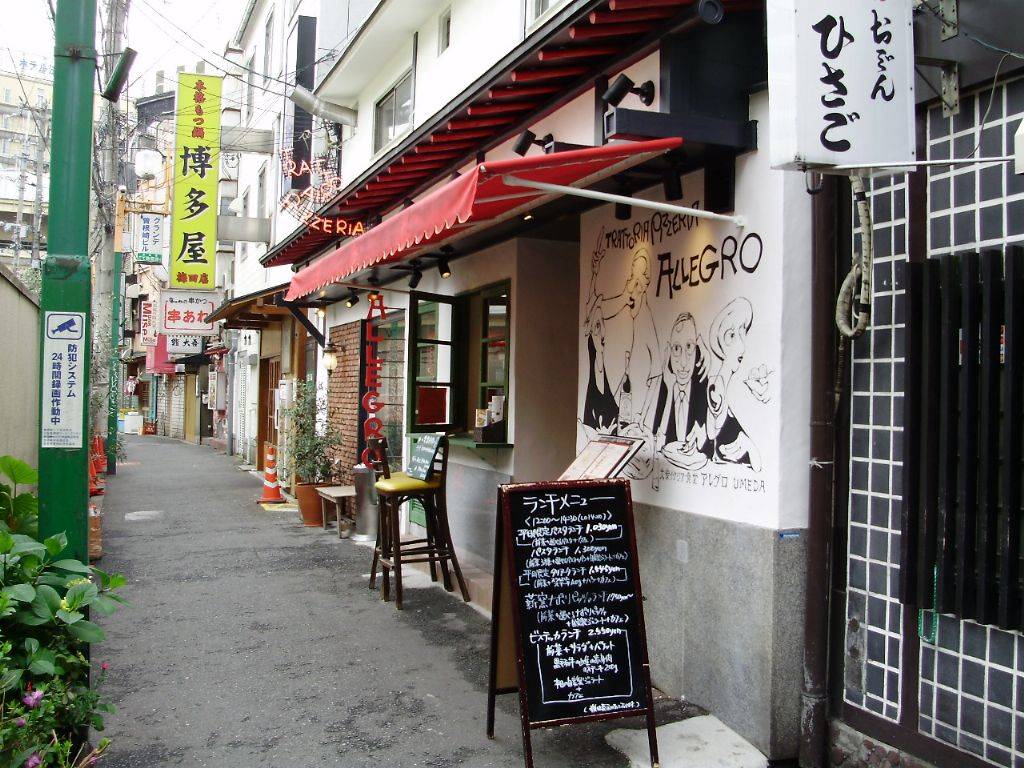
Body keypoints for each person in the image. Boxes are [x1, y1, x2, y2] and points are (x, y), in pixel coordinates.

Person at [704, 297, 761, 470]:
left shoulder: (731, 386)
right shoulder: (717, 386)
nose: (741, 346)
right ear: (721, 341)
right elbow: (713, 438)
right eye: (732, 335)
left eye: (743, 333)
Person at [647, 313, 710, 464]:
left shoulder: (705, 389)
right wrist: (669, 392)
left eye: (689, 347)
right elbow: (653, 446)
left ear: (697, 348)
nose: (683, 362)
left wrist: (705, 438)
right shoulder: (662, 387)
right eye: (676, 348)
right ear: (669, 350)